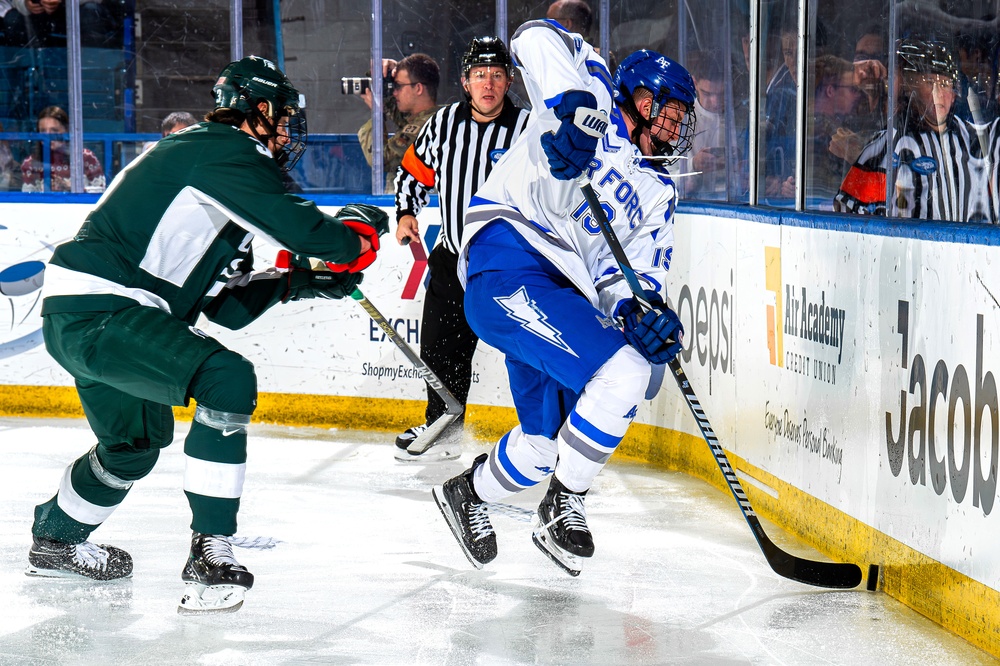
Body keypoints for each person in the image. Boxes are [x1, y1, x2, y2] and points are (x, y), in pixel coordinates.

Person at [25, 56, 390, 614]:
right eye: (284, 116)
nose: (290, 131)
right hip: (103, 309)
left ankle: (55, 539)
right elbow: (321, 235)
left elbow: (226, 309)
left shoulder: (226, 182)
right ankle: (210, 550)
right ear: (258, 109)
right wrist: (357, 232)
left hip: (93, 315)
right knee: (227, 377)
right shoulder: (224, 149)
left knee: (133, 446)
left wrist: (302, 282)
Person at [433, 21, 694, 576]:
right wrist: (569, 101)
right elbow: (533, 35)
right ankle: (562, 506)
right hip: (509, 256)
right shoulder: (594, 86)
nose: (674, 129)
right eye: (668, 113)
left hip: (564, 292)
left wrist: (637, 309)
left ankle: (468, 493)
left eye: (680, 121)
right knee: (622, 374)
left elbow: (635, 275)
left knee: (542, 446)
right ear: (640, 99)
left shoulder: (657, 192)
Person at [392, 37, 530, 462]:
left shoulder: (528, 128)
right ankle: (443, 427)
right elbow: (413, 171)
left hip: (510, 264)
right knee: (440, 350)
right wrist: (405, 212)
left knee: (529, 355)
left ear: (509, 81)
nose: (488, 84)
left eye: (496, 75)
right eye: (479, 75)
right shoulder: (444, 122)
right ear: (465, 82)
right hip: (452, 257)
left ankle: (543, 438)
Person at [834, 38, 991, 223]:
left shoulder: (974, 141)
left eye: (944, 84)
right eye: (929, 82)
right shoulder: (887, 145)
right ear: (911, 88)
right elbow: (848, 213)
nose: (937, 93)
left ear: (955, 93)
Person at [357, 53, 440, 193]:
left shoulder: (426, 126)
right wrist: (386, 75)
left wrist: (377, 115)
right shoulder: (430, 119)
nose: (395, 93)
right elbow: (396, 112)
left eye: (399, 86)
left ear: (418, 88)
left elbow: (380, 160)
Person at [809, 55, 862, 202]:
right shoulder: (823, 134)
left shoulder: (831, 126)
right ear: (830, 91)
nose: (857, 95)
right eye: (852, 89)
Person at [21, 105, 105, 193]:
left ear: (66, 130)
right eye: (43, 131)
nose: (48, 136)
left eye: (54, 130)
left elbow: (101, 193)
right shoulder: (30, 163)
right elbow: (28, 200)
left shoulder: (85, 157)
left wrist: (71, 189)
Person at [680, 51, 727, 199]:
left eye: (721, 94)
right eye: (707, 94)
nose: (715, 102)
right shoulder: (680, 119)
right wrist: (693, 165)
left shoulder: (741, 116)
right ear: (694, 83)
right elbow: (662, 174)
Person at [10, 0, 118, 48]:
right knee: (13, 19)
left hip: (80, 17)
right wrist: (26, 4)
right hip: (42, 18)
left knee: (90, 12)